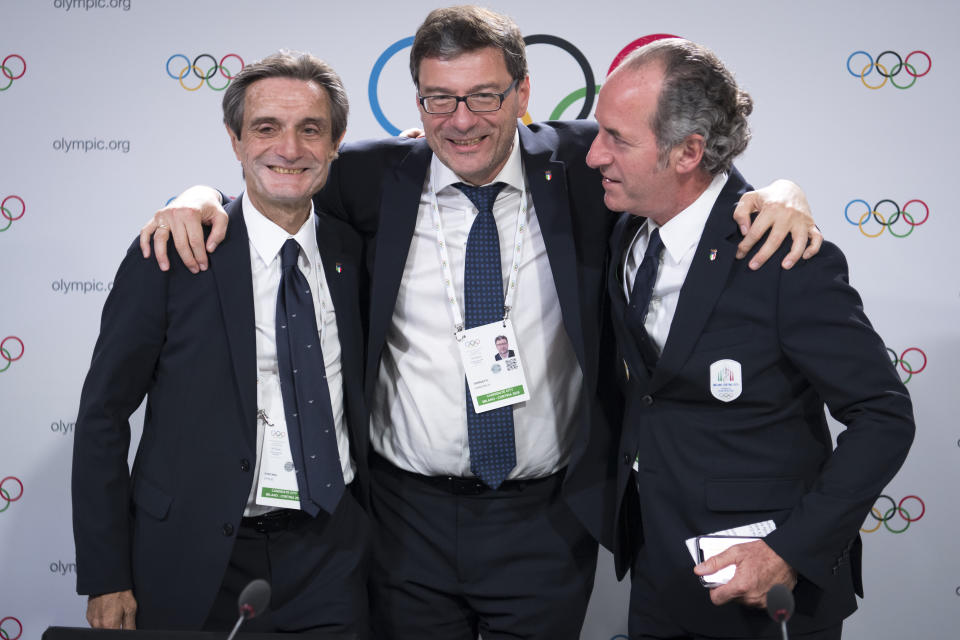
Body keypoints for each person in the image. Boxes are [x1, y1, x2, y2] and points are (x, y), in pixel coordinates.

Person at [139, 7, 821, 639]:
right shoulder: (373, 178)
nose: (461, 120)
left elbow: (690, 175)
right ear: (419, 103)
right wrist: (192, 197)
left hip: (546, 523)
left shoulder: (588, 167)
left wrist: (781, 193)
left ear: (524, 95)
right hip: (406, 524)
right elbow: (270, 185)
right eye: (440, 98)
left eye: (484, 96)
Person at [589, 38, 915, 639]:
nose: (593, 155)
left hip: (766, 591)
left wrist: (787, 552)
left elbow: (883, 416)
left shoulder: (783, 256)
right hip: (657, 576)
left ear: (688, 152)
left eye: (617, 139)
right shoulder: (627, 231)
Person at [71, 51, 370, 634]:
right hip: (193, 555)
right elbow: (103, 415)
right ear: (234, 140)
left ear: (336, 143)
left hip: (332, 557)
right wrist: (105, 574)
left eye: (311, 129)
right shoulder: (170, 255)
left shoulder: (356, 251)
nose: (289, 148)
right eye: (266, 128)